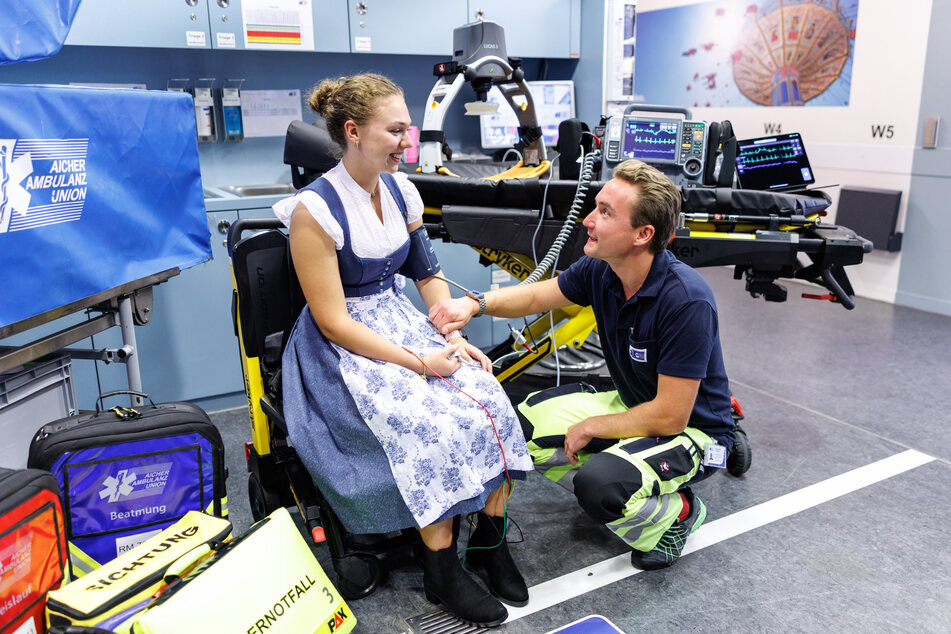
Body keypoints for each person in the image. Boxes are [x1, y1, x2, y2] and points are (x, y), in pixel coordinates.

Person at [273, 73, 533, 627]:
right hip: (342, 350)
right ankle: (441, 570)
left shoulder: (399, 190)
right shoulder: (313, 213)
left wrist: (453, 338)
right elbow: (334, 321)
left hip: (401, 323)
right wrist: (420, 363)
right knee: (425, 422)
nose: (406, 140)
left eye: (407, 128)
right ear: (353, 132)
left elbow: (427, 274)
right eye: (395, 130)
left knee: (486, 391)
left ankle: (489, 541)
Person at [429, 159, 735, 570]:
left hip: (693, 431)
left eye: (605, 212)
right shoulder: (602, 268)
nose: (588, 220)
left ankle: (677, 514)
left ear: (643, 235)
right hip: (635, 405)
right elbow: (539, 296)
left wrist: (593, 428)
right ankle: (624, 477)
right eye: (595, 206)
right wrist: (475, 304)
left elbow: (671, 415)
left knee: (601, 486)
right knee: (517, 432)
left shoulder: (686, 299)